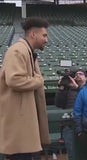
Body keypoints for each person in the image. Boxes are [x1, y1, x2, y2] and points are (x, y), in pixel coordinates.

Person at [0, 17, 50, 160]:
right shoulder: (17, 51)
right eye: (44, 35)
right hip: (18, 130)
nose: (46, 39)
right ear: (33, 34)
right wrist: (38, 80)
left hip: (23, 127)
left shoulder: (27, 51)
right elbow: (14, 79)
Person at [54, 69, 87, 160]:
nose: (78, 76)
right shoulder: (68, 89)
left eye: (81, 74)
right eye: (76, 75)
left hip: (86, 125)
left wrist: (77, 87)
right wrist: (62, 88)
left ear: (86, 77)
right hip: (69, 125)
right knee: (72, 154)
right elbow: (59, 104)